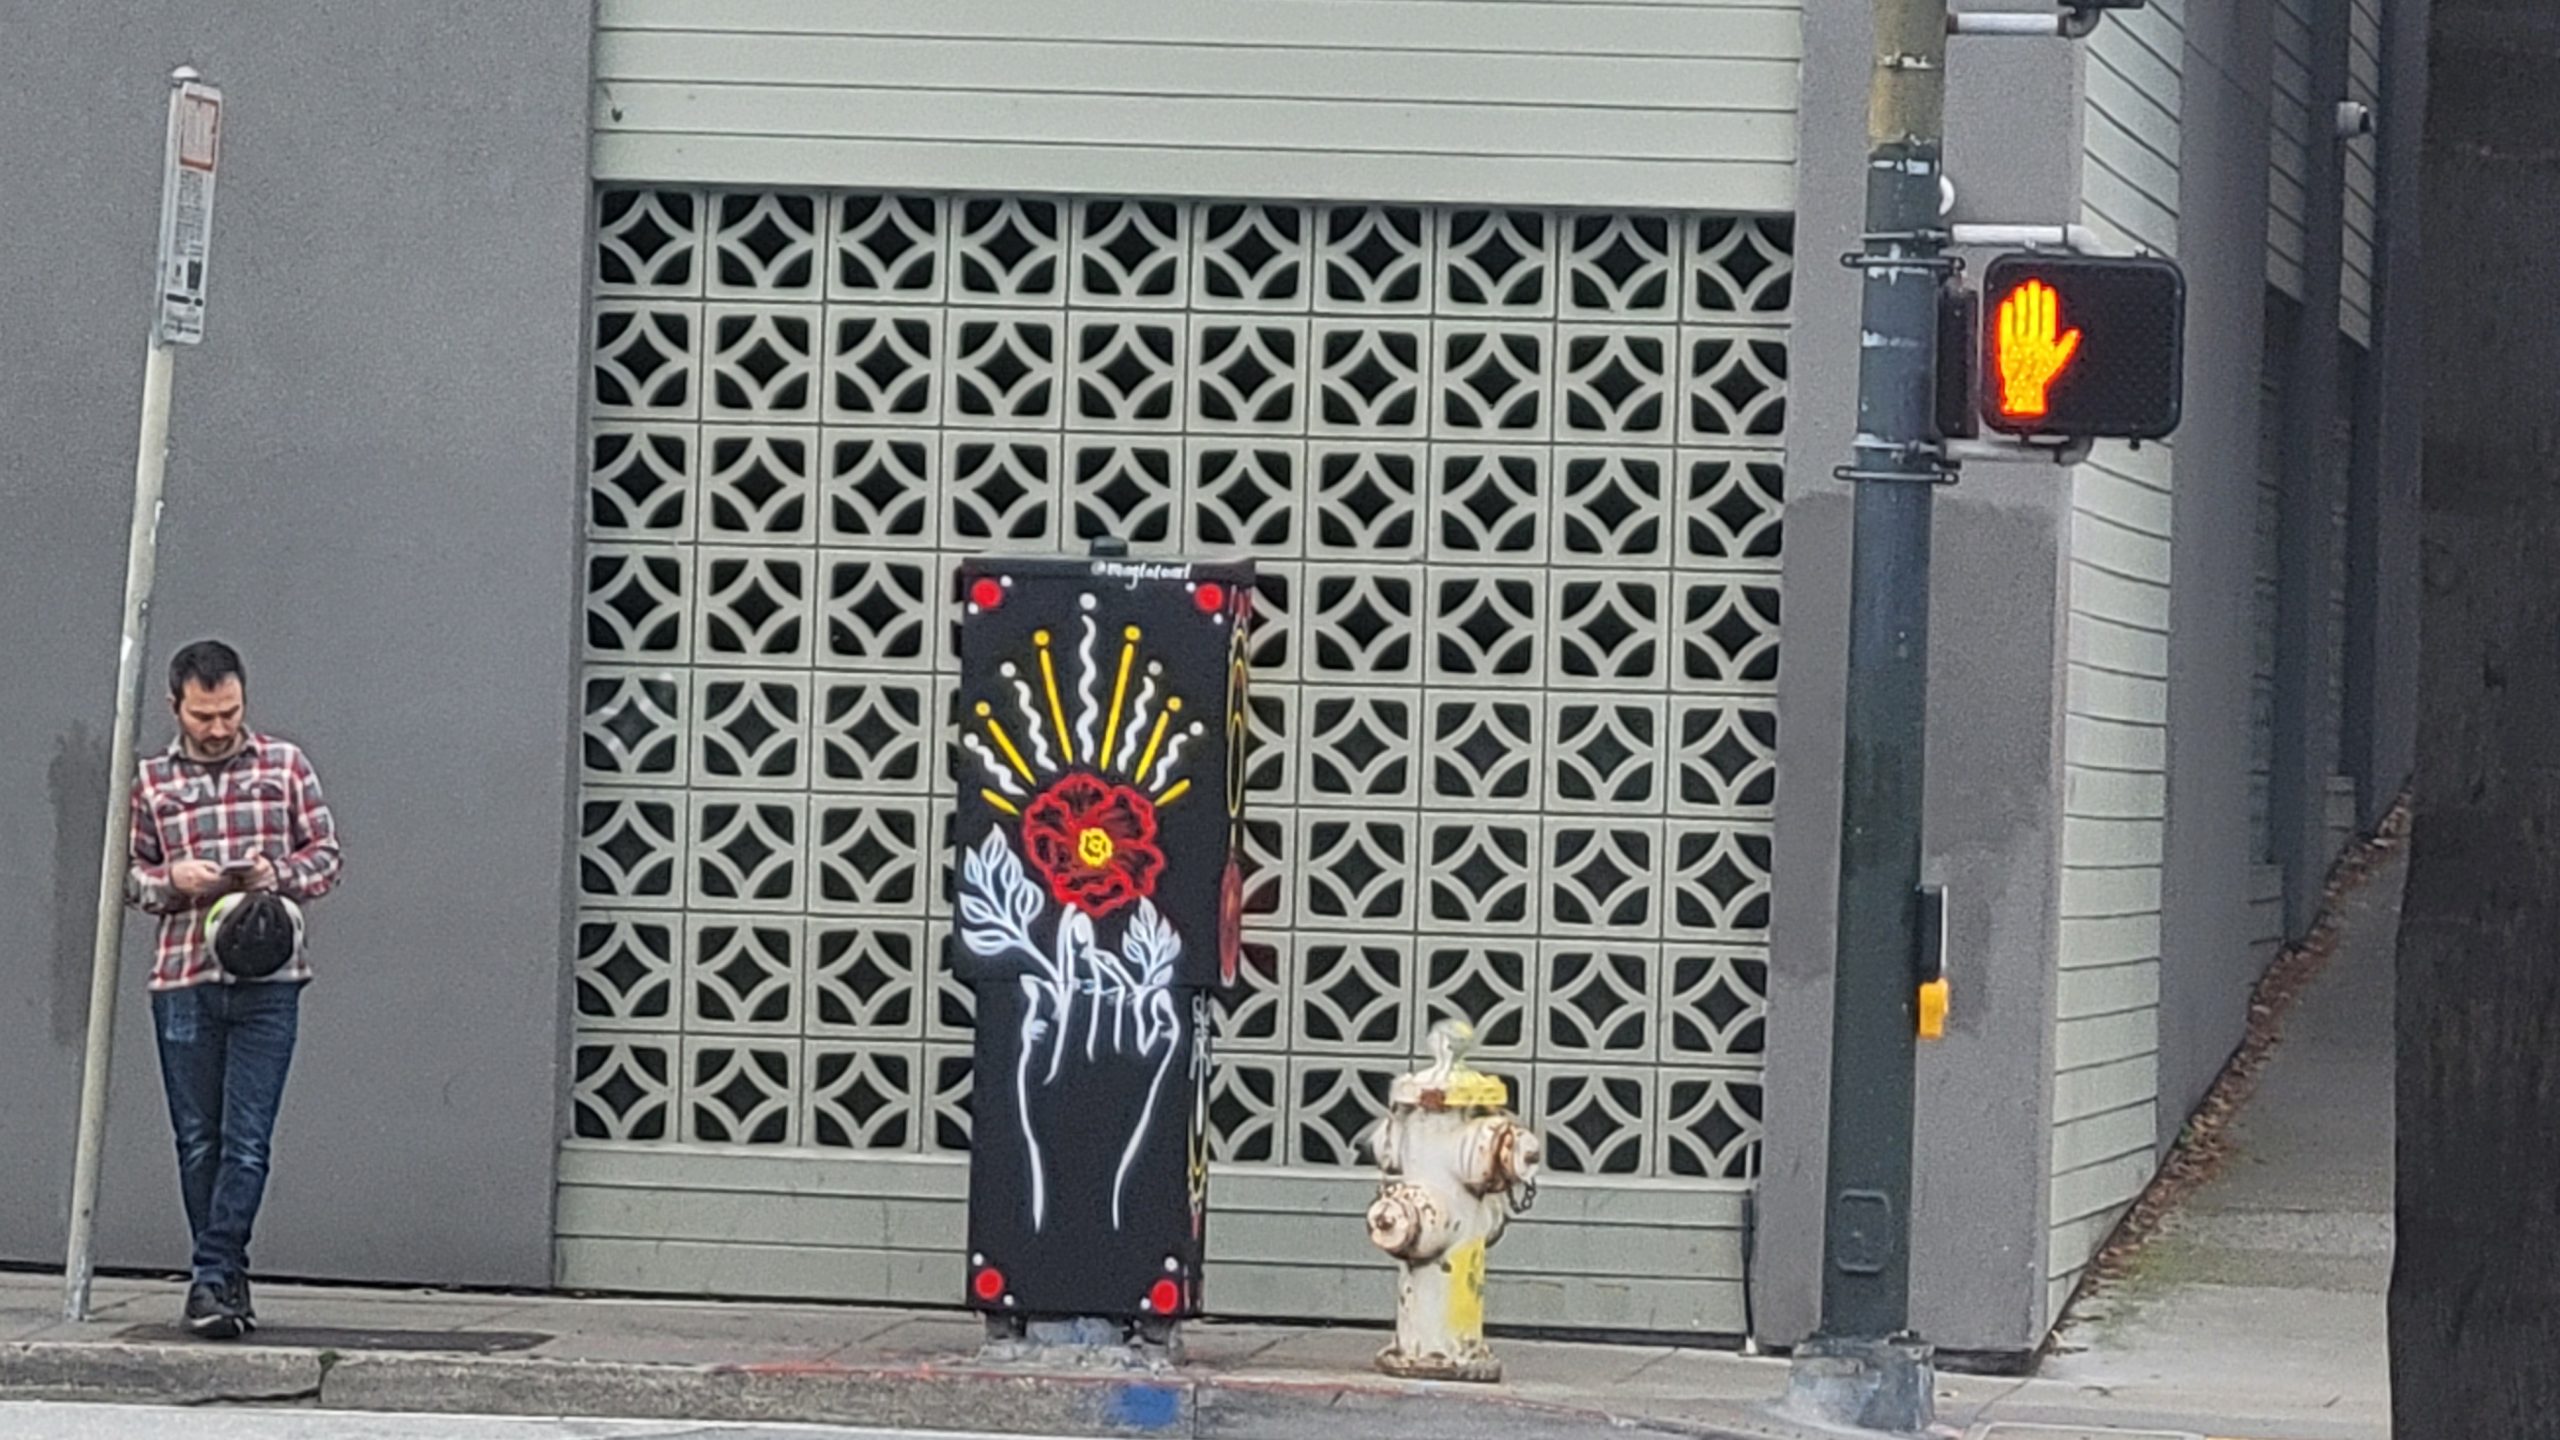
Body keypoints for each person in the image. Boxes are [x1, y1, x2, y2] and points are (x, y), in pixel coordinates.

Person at [124, 640, 342, 1339]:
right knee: (199, 1140)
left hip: (270, 977)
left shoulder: (284, 766)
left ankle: (212, 1276)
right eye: (203, 715)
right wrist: (172, 882)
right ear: (176, 707)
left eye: (229, 712)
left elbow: (327, 857)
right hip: (183, 979)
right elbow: (129, 878)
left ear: (244, 700)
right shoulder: (150, 782)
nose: (218, 728)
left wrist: (273, 874)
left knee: (248, 1140)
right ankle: (223, 1277)